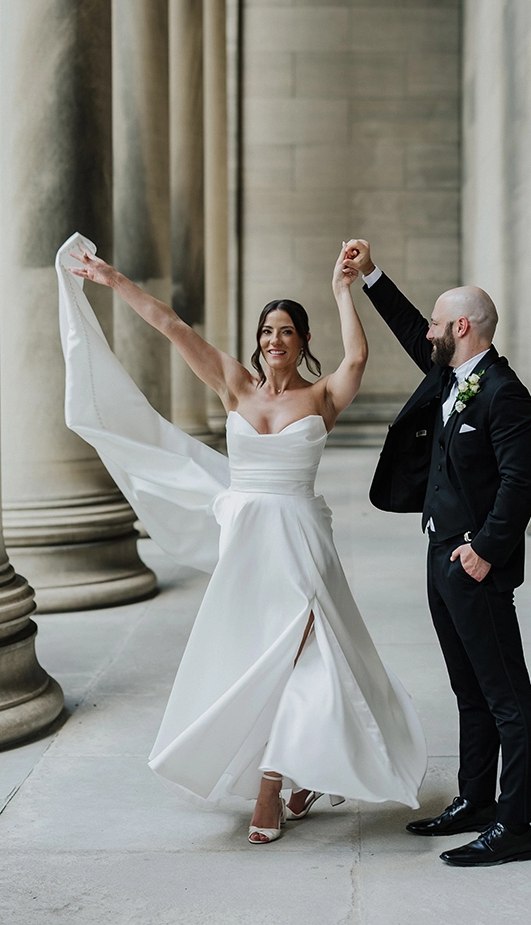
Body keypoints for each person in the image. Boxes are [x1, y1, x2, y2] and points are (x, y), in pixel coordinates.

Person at [60, 235, 423, 845]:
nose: (272, 340)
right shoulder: (234, 385)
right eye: (266, 332)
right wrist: (114, 281)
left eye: (285, 331)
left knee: (298, 658)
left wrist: (344, 290)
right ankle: (305, 769)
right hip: (248, 549)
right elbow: (172, 326)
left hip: (300, 542)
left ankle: (270, 790)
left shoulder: (323, 397)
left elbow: (357, 360)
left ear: (303, 341)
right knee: (261, 665)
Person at [343, 240, 531, 867]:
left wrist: (484, 551)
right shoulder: (451, 376)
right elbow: (411, 331)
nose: (427, 329)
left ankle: (515, 827)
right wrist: (371, 276)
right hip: (440, 557)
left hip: (474, 564)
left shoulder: (502, 392)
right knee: (468, 689)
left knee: (507, 696)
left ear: (461, 327)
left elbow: (523, 481)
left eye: (437, 321)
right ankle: (476, 801)